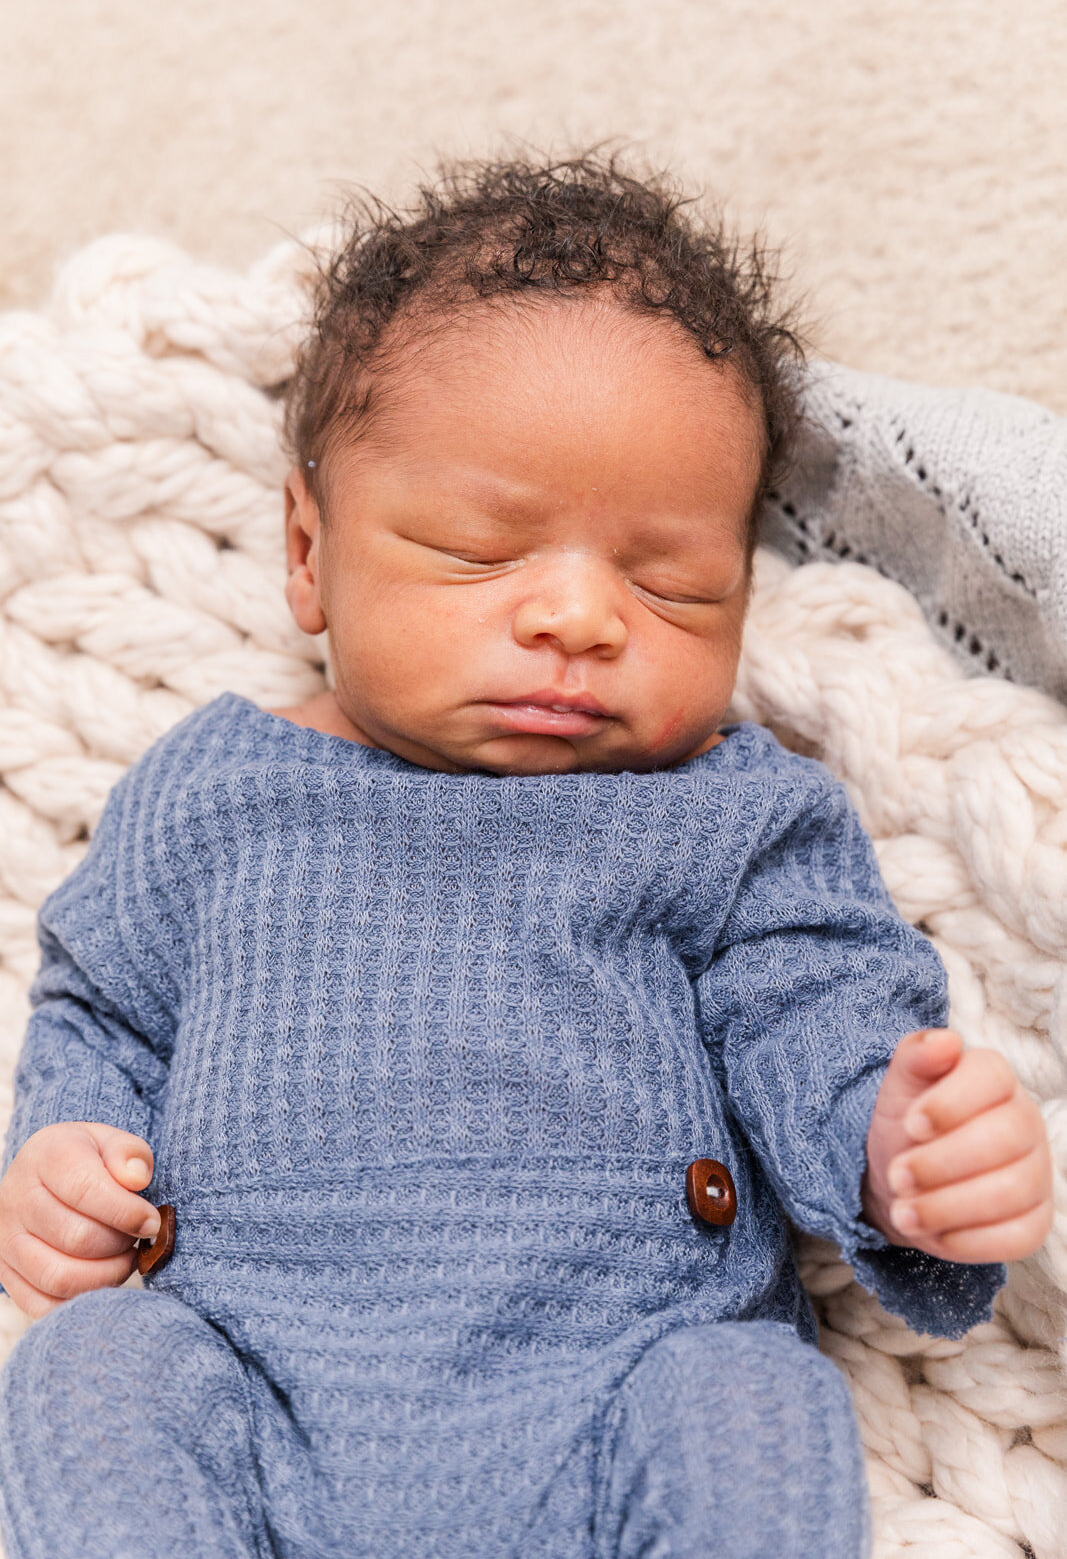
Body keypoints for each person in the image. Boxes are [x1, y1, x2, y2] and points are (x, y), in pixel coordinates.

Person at [0, 156, 1053, 1559]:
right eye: (479, 550)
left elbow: (824, 1019)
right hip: (252, 1391)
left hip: (622, 1390)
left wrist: (894, 1148)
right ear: (308, 554)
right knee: (90, 1376)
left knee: (749, 1394)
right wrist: (59, 1158)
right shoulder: (219, 788)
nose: (577, 618)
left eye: (672, 582)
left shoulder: (728, 811)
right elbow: (101, 1007)